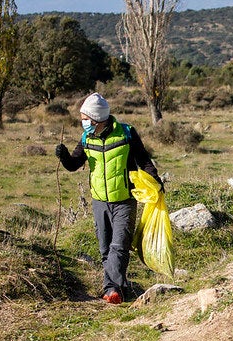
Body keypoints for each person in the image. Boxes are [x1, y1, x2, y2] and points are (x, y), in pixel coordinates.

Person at [55, 92, 164, 304]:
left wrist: (157, 182)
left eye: (85, 118)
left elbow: (144, 160)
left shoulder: (126, 134)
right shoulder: (87, 138)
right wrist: (63, 156)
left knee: (119, 246)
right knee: (105, 248)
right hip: (99, 201)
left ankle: (111, 289)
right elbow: (73, 164)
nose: (82, 122)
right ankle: (117, 288)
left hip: (125, 199)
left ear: (97, 119)